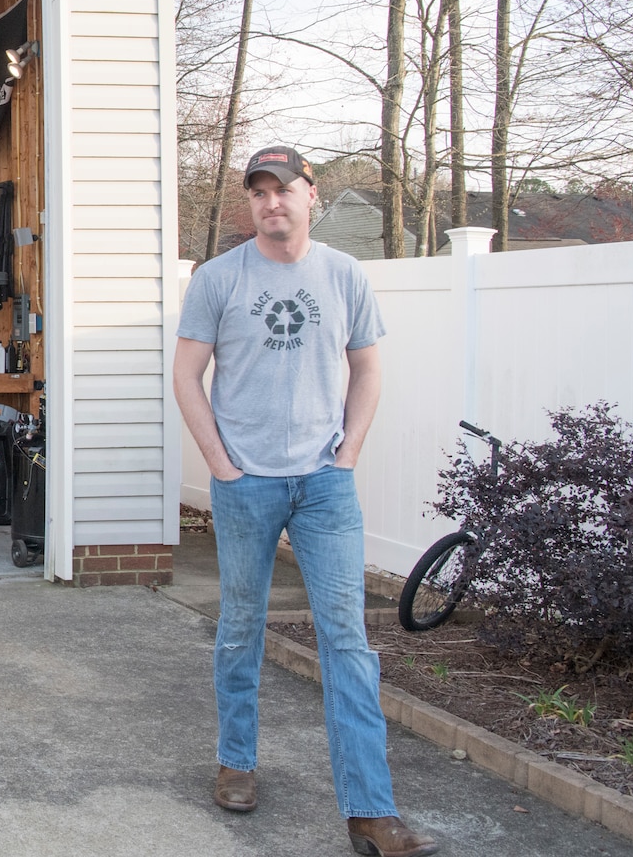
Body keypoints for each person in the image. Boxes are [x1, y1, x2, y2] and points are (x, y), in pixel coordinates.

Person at [173, 146, 438, 857]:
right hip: (246, 485)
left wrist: (347, 452)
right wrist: (220, 466)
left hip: (324, 486)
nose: (271, 204)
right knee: (240, 625)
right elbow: (187, 375)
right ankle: (237, 761)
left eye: (283, 190)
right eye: (258, 193)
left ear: (311, 195)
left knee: (346, 639)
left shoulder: (345, 275)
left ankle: (371, 813)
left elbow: (368, 367)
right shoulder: (218, 279)